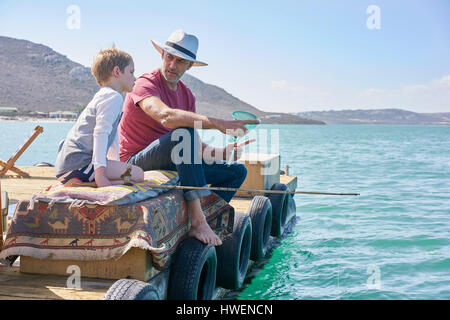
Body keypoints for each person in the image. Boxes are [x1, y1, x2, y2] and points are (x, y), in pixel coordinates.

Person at [118, 30, 259, 246]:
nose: (172, 65)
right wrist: (217, 123)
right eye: (169, 57)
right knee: (184, 132)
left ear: (189, 66)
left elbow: (194, 146)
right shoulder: (145, 83)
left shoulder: (187, 95)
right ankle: (197, 220)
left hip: (174, 158)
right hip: (136, 162)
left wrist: (223, 152)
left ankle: (210, 219)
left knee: (236, 171)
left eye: (180, 61)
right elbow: (165, 116)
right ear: (162, 55)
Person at [55, 47, 144, 188]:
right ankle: (92, 181)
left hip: (67, 166)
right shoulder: (113, 97)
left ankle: (84, 183)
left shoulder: (106, 95)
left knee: (130, 173)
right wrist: (101, 174)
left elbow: (112, 138)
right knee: (138, 174)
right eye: (131, 72)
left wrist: (117, 164)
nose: (135, 77)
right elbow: (101, 133)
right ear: (116, 72)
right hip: (81, 164)